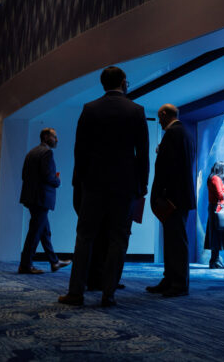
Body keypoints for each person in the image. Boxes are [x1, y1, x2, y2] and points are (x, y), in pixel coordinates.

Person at [58, 66, 149, 307]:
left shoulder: (90, 109)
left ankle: (76, 292)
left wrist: (79, 182)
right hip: (125, 185)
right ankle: (108, 294)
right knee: (118, 240)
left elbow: (80, 150)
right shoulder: (137, 110)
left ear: (103, 84)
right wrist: (143, 184)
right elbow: (143, 153)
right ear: (123, 82)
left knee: (85, 238)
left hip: (94, 185)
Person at [146, 104, 196, 297]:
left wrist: (164, 194)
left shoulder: (173, 133)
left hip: (173, 198)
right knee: (173, 240)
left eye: (159, 117)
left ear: (164, 114)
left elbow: (171, 168)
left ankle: (179, 283)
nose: (159, 121)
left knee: (176, 241)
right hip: (180, 197)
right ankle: (170, 279)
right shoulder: (185, 133)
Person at [19, 128, 71, 274]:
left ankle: (54, 262)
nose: (57, 140)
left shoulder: (31, 152)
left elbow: (24, 175)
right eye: (55, 137)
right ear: (46, 136)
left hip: (31, 197)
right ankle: (25, 265)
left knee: (44, 231)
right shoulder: (47, 153)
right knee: (35, 232)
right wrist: (57, 180)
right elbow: (48, 176)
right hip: (41, 198)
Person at [204, 161, 224, 269]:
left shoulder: (212, 178)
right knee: (216, 235)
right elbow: (220, 195)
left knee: (216, 235)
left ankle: (215, 260)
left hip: (214, 208)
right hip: (217, 209)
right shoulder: (216, 179)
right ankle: (214, 261)